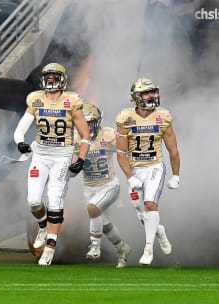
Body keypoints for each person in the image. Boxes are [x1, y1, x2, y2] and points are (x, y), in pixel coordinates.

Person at [13, 62, 90, 266]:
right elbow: (20, 129)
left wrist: (80, 158)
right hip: (40, 155)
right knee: (34, 201)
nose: (50, 80)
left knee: (55, 199)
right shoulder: (36, 99)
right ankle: (42, 225)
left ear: (62, 79)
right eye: (47, 76)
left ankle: (50, 246)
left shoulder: (71, 101)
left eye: (54, 76)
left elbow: (86, 134)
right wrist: (20, 142)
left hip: (62, 156)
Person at [116, 77, 179, 266]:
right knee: (140, 210)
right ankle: (159, 231)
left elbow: (173, 150)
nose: (152, 96)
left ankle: (148, 248)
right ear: (136, 97)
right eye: (147, 92)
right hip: (135, 168)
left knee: (150, 204)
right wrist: (129, 177)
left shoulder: (163, 117)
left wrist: (176, 175)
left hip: (154, 167)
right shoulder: (125, 118)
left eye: (153, 92)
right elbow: (121, 153)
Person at [73, 103, 132, 268]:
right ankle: (122, 248)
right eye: (84, 123)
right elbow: (72, 171)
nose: (87, 126)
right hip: (88, 188)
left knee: (93, 209)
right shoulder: (76, 139)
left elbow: (124, 151)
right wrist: (69, 168)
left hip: (109, 185)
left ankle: (95, 246)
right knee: (103, 223)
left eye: (90, 122)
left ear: (97, 122)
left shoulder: (107, 135)